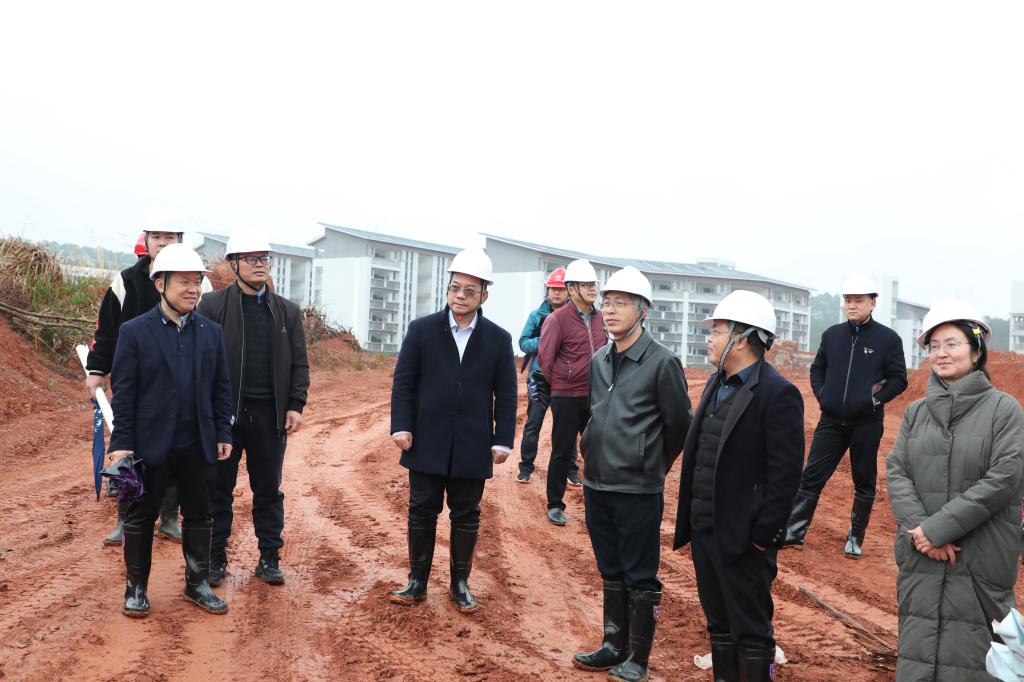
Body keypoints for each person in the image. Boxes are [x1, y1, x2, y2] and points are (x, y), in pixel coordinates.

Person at [887, 300, 1024, 681]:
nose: (941, 354)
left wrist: (937, 530)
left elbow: (1004, 477)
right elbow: (897, 470)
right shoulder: (916, 413)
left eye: (952, 344)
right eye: (934, 346)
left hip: (978, 560)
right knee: (918, 657)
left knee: (974, 662)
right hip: (922, 560)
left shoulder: (1004, 410)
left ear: (977, 351)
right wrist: (921, 532)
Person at [673, 290, 805, 681]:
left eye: (717, 331)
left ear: (742, 338)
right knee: (719, 626)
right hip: (706, 531)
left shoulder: (777, 393)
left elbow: (785, 476)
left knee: (751, 630)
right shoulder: (717, 384)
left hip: (745, 540)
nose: (709, 339)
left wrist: (763, 537)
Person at [572, 267, 691, 682]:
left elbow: (679, 426)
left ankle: (638, 657)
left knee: (641, 575)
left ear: (643, 311)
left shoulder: (662, 363)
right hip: (597, 483)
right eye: (606, 302)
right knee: (610, 569)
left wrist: (651, 464)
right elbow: (593, 414)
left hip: (638, 489)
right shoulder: (599, 361)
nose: (609, 310)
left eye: (621, 303)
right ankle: (613, 645)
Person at [107, 243, 234, 618]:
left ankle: (197, 584)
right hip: (150, 444)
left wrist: (223, 433)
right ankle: (136, 589)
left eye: (197, 282)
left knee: (199, 514)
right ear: (160, 284)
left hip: (197, 441)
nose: (193, 289)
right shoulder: (134, 332)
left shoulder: (211, 333)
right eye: (184, 282)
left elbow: (221, 389)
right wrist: (122, 443)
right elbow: (124, 394)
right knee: (140, 516)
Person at [388, 248, 517, 613]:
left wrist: (503, 440)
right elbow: (404, 383)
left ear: (484, 295)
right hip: (426, 438)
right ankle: (417, 581)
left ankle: (460, 583)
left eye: (469, 291)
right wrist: (401, 425)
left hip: (473, 442)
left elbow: (507, 393)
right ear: (447, 289)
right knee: (421, 510)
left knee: (467, 514)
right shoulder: (422, 330)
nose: (460, 296)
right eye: (455, 288)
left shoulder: (497, 339)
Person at [87, 208, 211, 546]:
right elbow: (106, 329)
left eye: (170, 237)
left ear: (180, 241)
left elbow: (209, 334)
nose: (162, 242)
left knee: (177, 448)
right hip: (135, 381)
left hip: (183, 382)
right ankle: (126, 519)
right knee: (131, 450)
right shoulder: (126, 281)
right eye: (157, 236)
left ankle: (169, 517)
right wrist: (97, 371)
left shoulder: (199, 283)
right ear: (146, 240)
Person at [196, 230, 310, 587]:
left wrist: (295, 404)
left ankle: (269, 558)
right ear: (233, 264)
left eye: (264, 258)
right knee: (218, 490)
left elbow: (299, 363)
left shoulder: (287, 311)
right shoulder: (212, 306)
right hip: (225, 417)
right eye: (251, 259)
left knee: (268, 490)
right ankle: (215, 558)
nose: (260, 265)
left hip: (269, 417)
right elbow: (200, 361)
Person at [783, 274, 908, 558]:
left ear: (873, 302)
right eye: (848, 300)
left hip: (866, 422)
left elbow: (898, 379)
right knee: (811, 476)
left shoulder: (887, 339)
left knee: (864, 480)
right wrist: (823, 395)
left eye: (858, 300)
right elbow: (817, 369)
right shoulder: (832, 335)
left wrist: (874, 400)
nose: (851, 305)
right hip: (830, 421)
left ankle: (855, 538)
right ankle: (794, 532)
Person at [537, 258, 606, 526]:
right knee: (562, 451)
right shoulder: (557, 319)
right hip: (566, 396)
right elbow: (545, 359)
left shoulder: (601, 317)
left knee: (597, 452)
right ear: (572, 288)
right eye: (586, 285)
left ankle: (597, 508)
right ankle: (555, 504)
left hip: (597, 396)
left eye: (593, 284)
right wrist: (561, 383)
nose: (592, 289)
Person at [516, 267, 578, 484]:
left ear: (568, 291)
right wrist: (546, 341)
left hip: (566, 380)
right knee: (533, 423)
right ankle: (525, 467)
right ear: (547, 290)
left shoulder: (576, 317)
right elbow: (523, 342)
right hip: (539, 378)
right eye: (553, 288)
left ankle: (571, 470)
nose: (556, 293)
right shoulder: (537, 316)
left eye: (560, 289)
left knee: (567, 426)